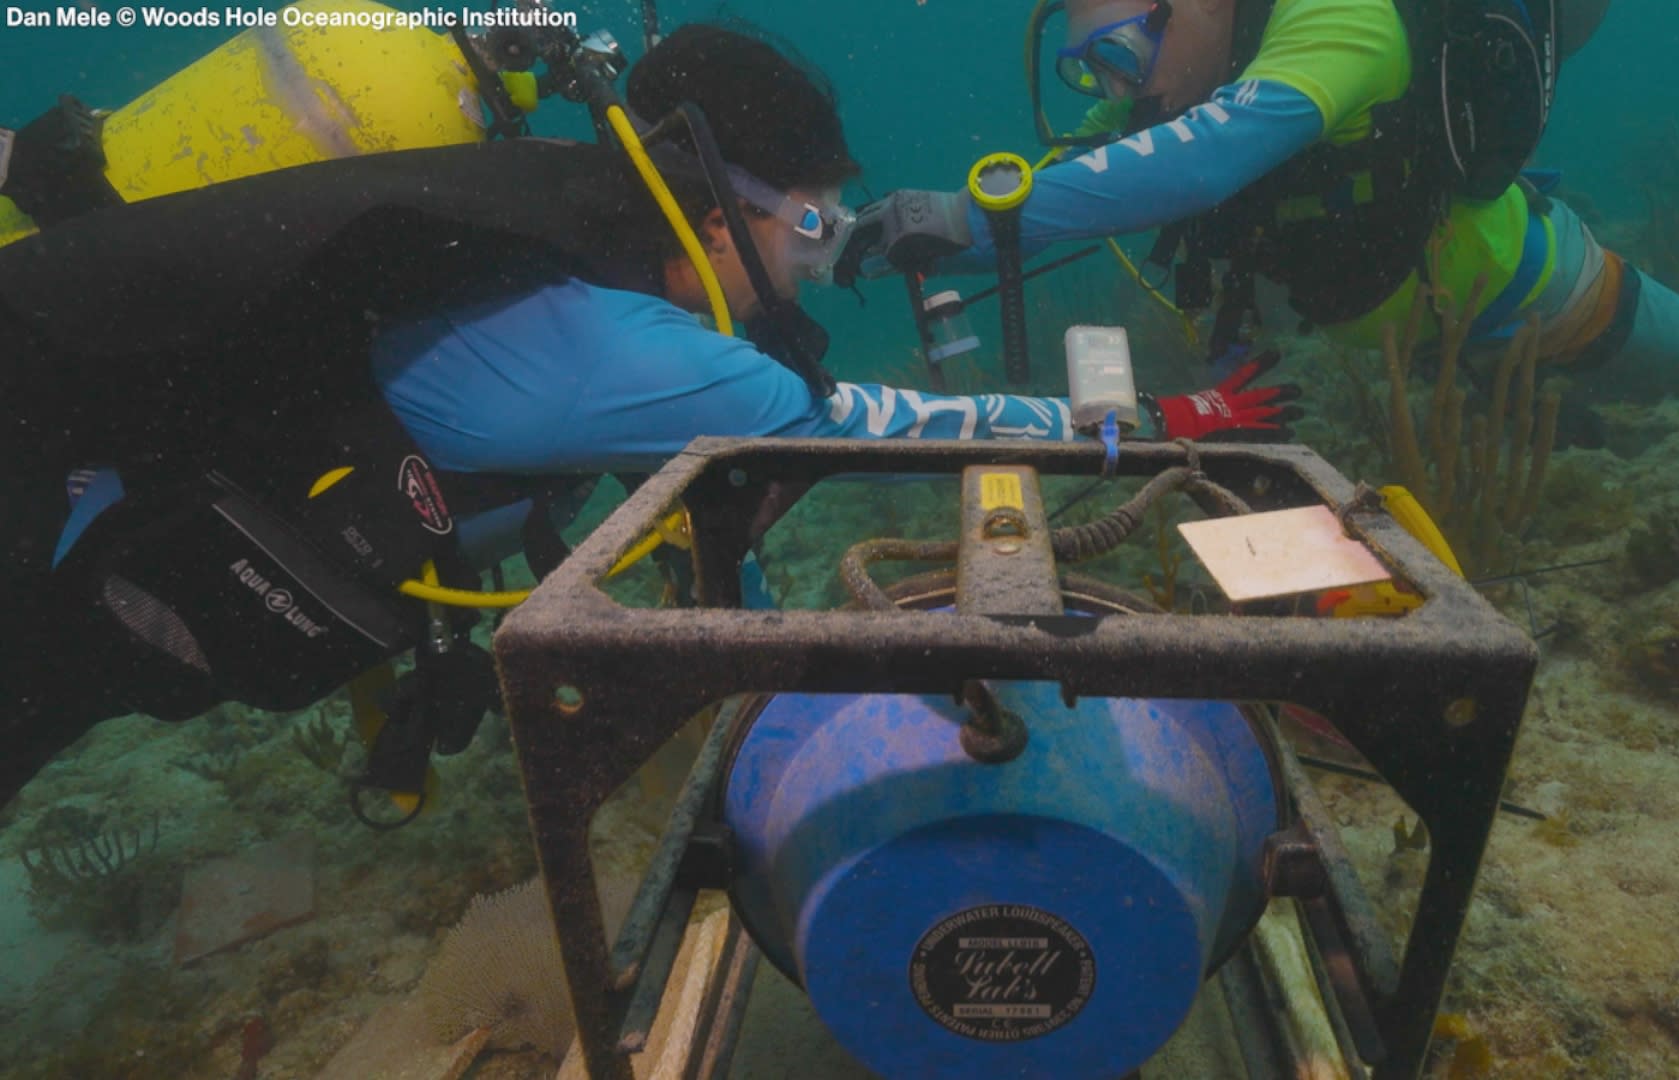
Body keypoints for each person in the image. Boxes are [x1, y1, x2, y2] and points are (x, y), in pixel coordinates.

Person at [0, 22, 1290, 805]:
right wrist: (1148, 419)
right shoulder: (646, 353)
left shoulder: (537, 213)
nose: (815, 259)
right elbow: (880, 421)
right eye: (815, 221)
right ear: (732, 204)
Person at [840, 0, 1679, 417]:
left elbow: (1202, 166)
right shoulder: (1152, 100)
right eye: (1087, 67)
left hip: (1518, 289)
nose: (1113, 86)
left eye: (1119, 52)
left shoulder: (1337, 19)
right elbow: (1041, 195)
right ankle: (1507, 400)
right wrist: (858, 241)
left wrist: (957, 221)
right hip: (1396, 333)